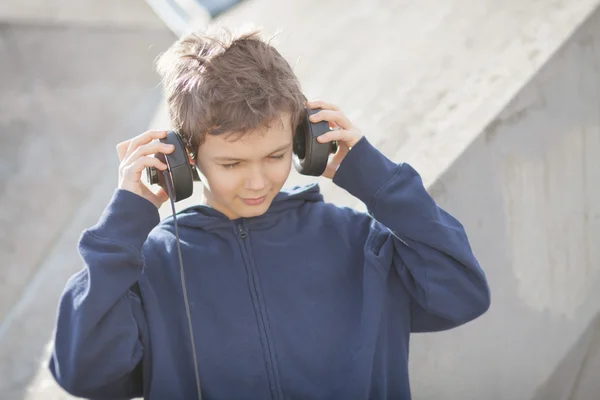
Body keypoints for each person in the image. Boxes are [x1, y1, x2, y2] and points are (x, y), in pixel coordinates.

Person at [49, 26, 490, 400]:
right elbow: (82, 371)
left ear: (304, 143)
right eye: (231, 164)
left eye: (276, 156)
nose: (258, 182)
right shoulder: (151, 271)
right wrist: (126, 221)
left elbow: (463, 293)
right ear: (185, 157)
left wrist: (378, 180)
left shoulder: (359, 242)